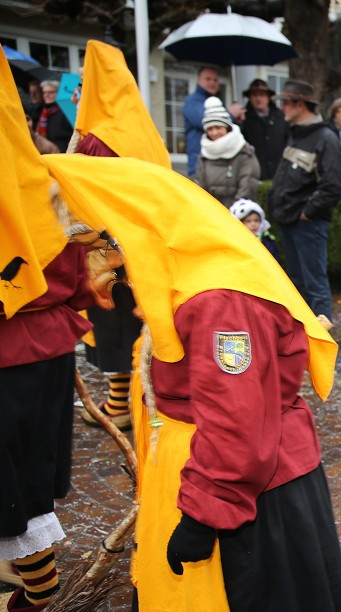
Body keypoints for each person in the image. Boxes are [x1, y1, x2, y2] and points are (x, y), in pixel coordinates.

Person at [43, 152, 341, 612]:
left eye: (105, 247)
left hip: (249, 492)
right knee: (191, 611)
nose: (105, 263)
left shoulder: (218, 299)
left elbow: (239, 423)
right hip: (206, 481)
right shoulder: (184, 277)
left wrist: (206, 512)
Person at [0, 56, 92, 612]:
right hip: (51, 338)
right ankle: (38, 577)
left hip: (14, 343)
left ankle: (39, 582)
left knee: (14, 475)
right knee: (32, 465)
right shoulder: (45, 173)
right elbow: (80, 268)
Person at [70, 39, 172, 432]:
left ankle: (121, 403)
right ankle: (138, 395)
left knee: (111, 324)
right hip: (144, 245)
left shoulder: (97, 140)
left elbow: (85, 196)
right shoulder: (141, 131)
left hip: (108, 249)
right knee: (135, 322)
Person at [267, 80, 341, 325]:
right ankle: (301, 345)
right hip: (290, 221)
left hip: (307, 224)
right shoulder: (297, 135)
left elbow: (333, 185)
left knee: (315, 285)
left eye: (286, 103)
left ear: (300, 105)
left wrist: (308, 213)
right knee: (298, 284)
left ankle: (322, 346)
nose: (282, 108)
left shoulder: (325, 138)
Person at [195, 97, 261, 209]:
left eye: (218, 127)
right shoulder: (204, 156)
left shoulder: (244, 152)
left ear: (227, 127)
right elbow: (199, 190)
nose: (214, 133)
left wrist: (232, 214)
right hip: (211, 216)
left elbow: (247, 188)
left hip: (238, 215)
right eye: (210, 129)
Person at [183, 67, 243, 178]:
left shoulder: (218, 103)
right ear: (198, 80)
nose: (212, 82)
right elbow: (205, 122)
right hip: (200, 165)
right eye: (208, 79)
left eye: (215, 80)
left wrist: (237, 121)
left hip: (220, 164)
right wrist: (230, 114)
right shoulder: (192, 102)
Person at [240, 78, 288, 181]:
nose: (258, 99)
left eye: (262, 95)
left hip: (280, 174)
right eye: (255, 95)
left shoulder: (281, 117)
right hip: (255, 175)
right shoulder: (244, 119)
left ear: (268, 97)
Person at [31, 79, 73, 151]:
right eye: (44, 92)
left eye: (51, 92)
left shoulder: (66, 111)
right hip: (46, 153)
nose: (47, 95)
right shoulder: (42, 111)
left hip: (63, 153)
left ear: (58, 93)